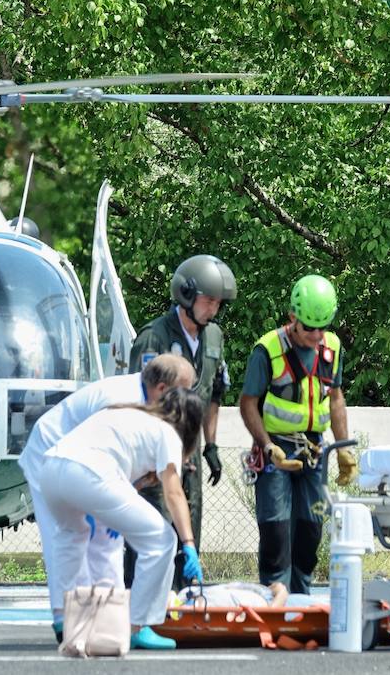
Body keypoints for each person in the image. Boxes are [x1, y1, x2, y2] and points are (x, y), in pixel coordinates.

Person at [18, 354, 196, 641]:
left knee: (76, 536)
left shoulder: (138, 400)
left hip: (59, 463)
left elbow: (114, 452)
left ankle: (80, 621)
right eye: (185, 390)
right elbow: (169, 488)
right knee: (107, 541)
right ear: (163, 389)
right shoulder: (125, 399)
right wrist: (189, 543)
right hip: (60, 455)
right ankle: (130, 625)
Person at [238, 274, 356, 595]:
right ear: (292, 318)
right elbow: (248, 404)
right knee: (276, 530)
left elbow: (335, 398)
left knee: (310, 530)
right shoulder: (268, 350)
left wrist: (343, 449)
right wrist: (266, 446)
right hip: (275, 448)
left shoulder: (331, 348)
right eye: (309, 328)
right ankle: (274, 596)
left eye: (323, 327)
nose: (317, 336)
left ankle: (300, 598)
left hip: (314, 450)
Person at [126, 254, 236, 589]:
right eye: (207, 301)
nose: (212, 309)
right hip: (155, 446)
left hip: (191, 446)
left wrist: (211, 444)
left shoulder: (214, 337)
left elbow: (215, 392)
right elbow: (141, 399)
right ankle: (143, 601)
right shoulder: (154, 337)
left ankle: (184, 599)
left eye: (218, 303)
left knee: (189, 520)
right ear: (187, 295)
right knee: (154, 525)